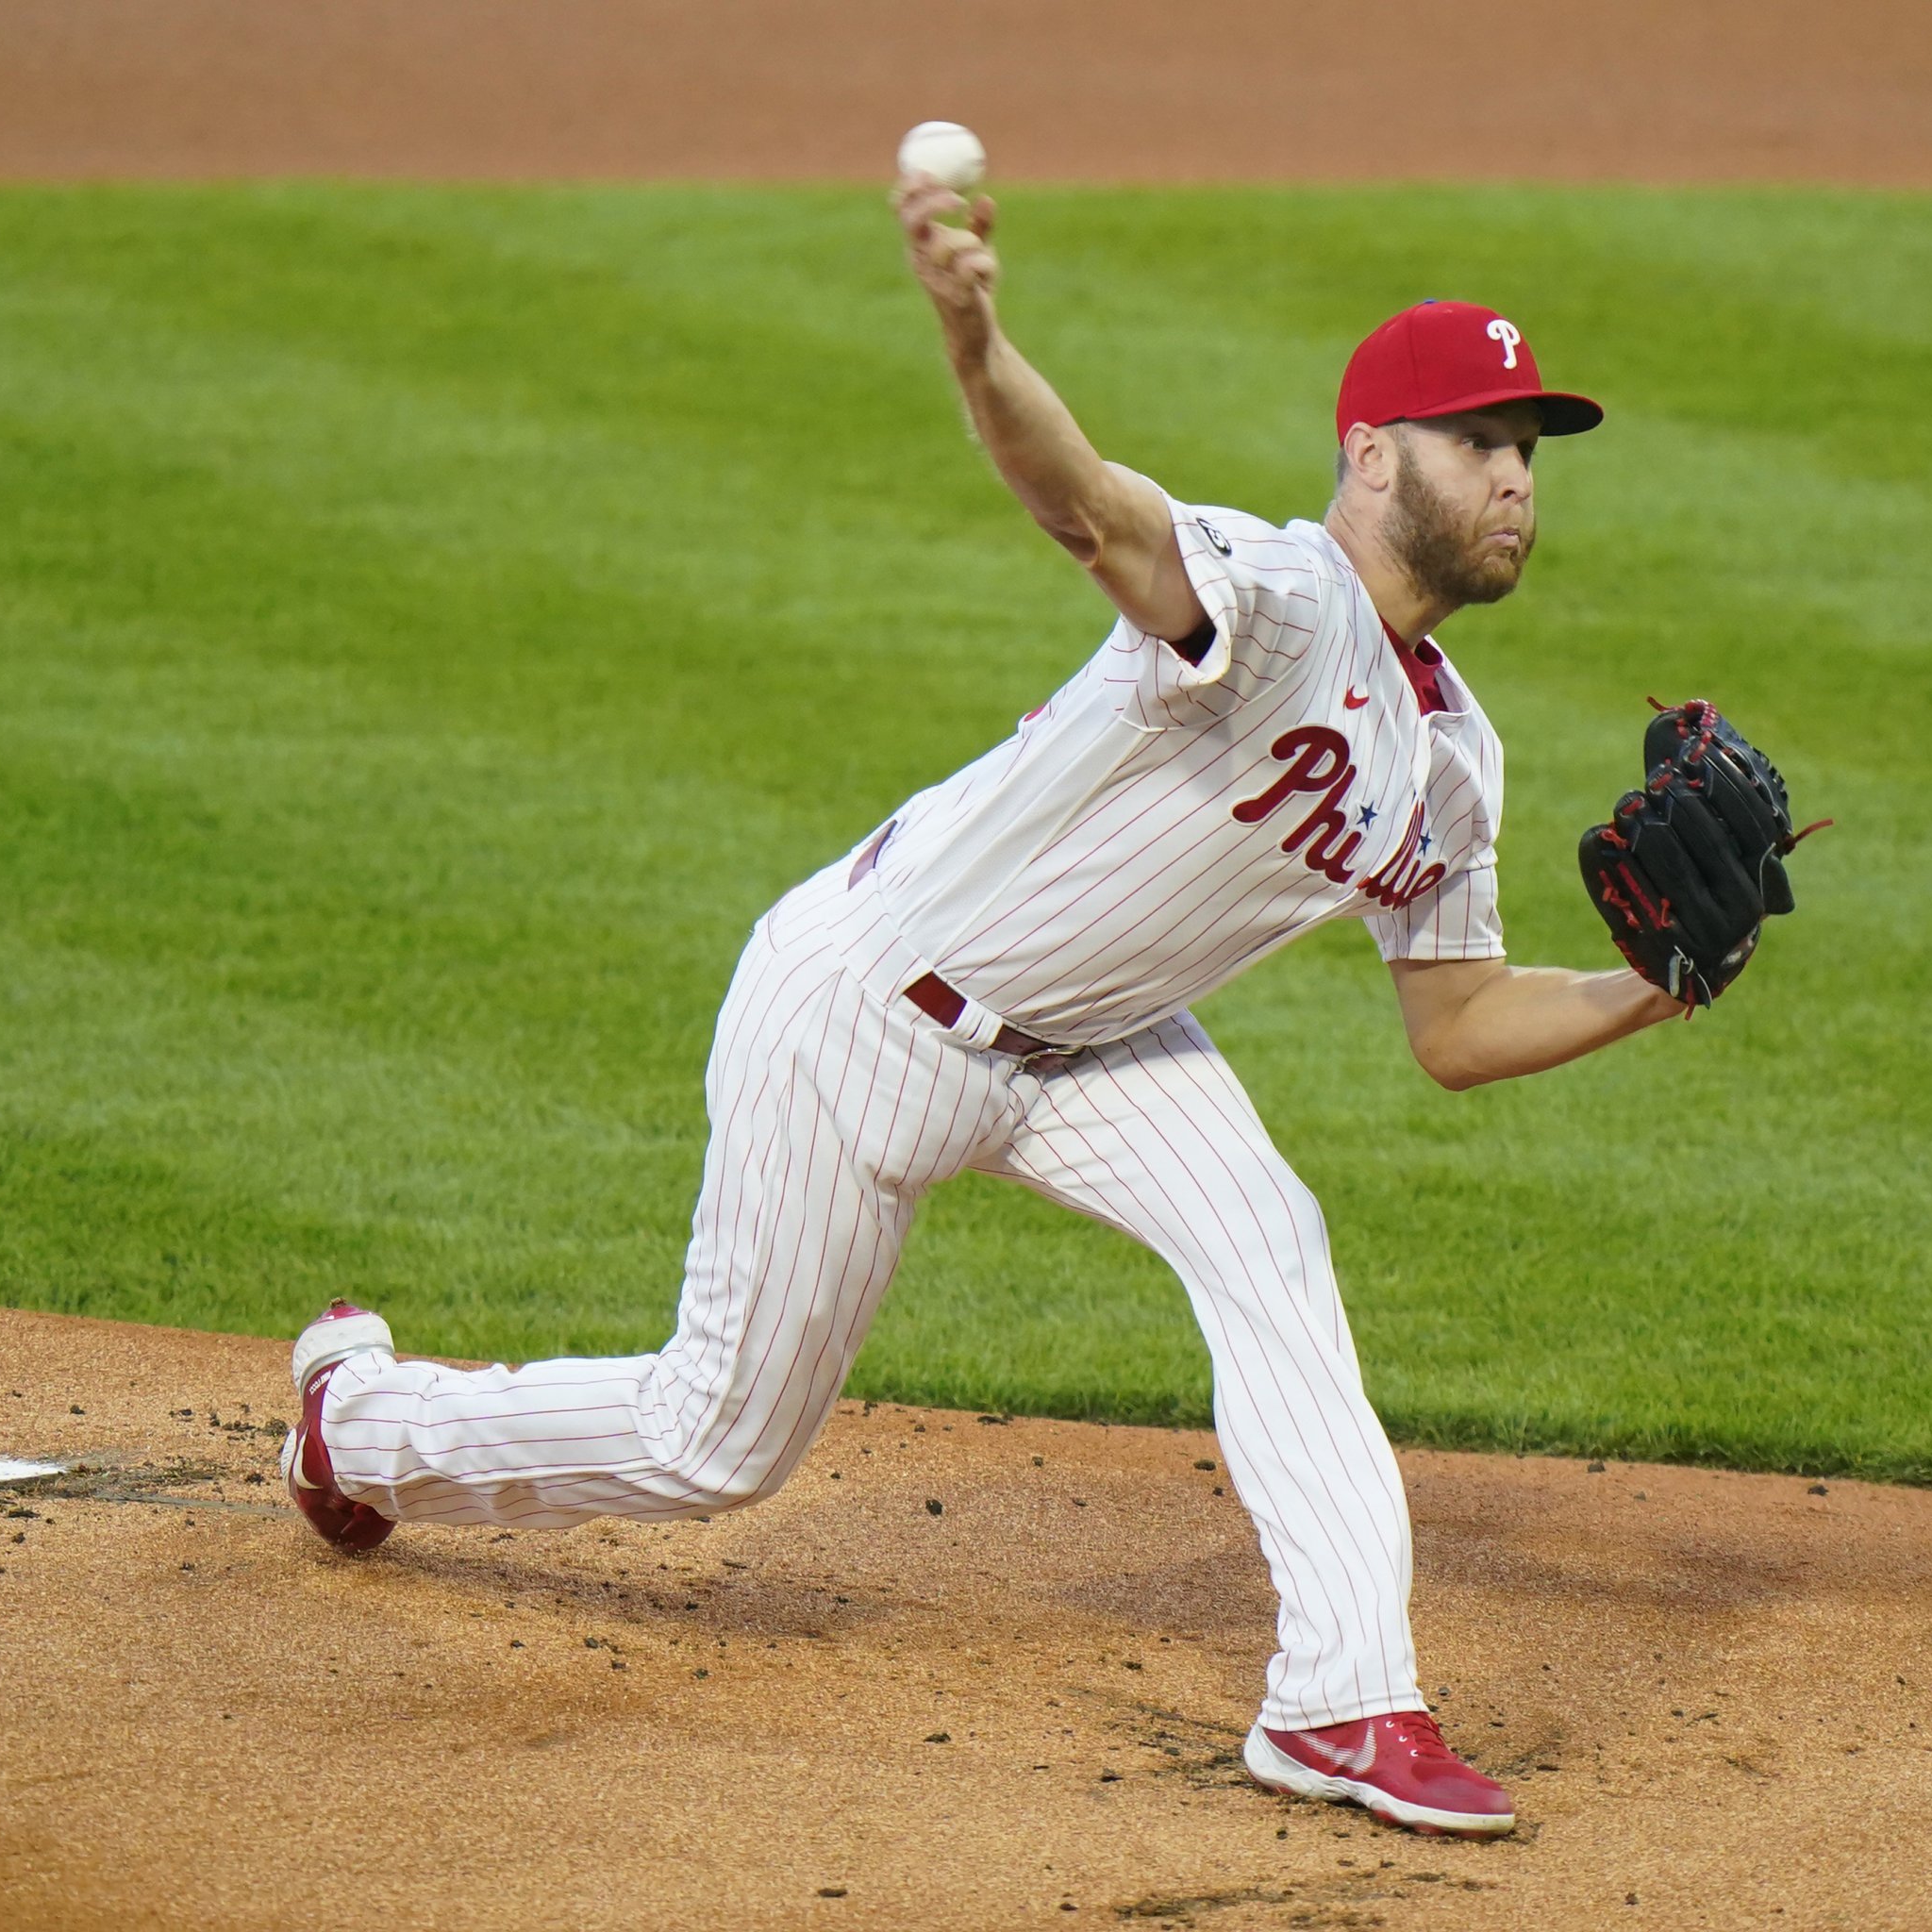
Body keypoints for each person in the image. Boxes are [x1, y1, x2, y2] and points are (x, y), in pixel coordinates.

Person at [279, 172, 1692, 1840]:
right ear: (1375, 457)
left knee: (1272, 1245)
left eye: (1529, 452)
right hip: (867, 1011)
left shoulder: (1457, 756)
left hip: (1097, 1044)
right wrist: (974, 334)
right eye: (1480, 443)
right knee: (711, 1447)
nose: (1516, 481)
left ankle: (1343, 1705)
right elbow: (1090, 507)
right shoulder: (1281, 596)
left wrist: (1648, 989)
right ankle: (355, 1426)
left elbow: (1455, 1029)